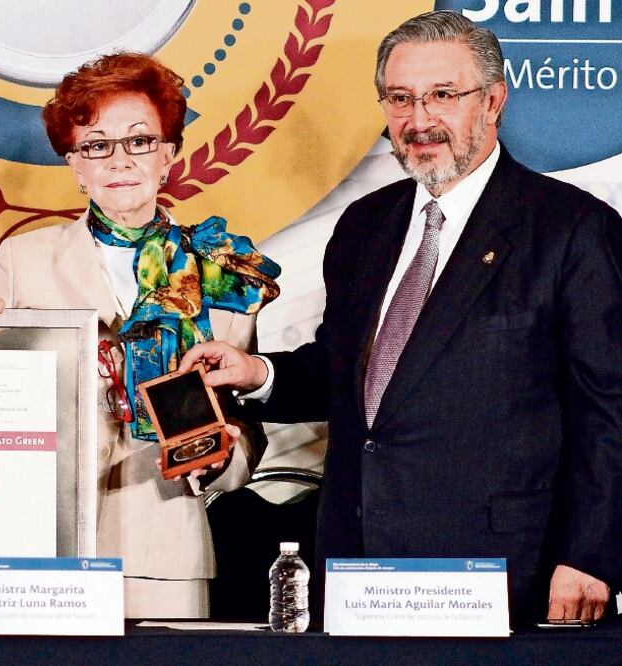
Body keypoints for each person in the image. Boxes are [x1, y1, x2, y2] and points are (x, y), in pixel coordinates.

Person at [180, 10, 622, 626]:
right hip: (357, 561)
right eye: (400, 98)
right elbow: (354, 374)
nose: (419, 120)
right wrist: (258, 373)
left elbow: (610, 412)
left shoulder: (571, 228)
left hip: (502, 569)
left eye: (443, 95)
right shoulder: (364, 225)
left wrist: (590, 556)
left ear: (493, 100)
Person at [0, 53, 281, 618]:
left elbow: (242, 420)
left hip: (164, 544)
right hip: (39, 542)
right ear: (75, 165)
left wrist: (221, 457)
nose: (119, 160)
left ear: (168, 155)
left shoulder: (224, 276)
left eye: (138, 141)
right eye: (96, 144)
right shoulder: (23, 257)